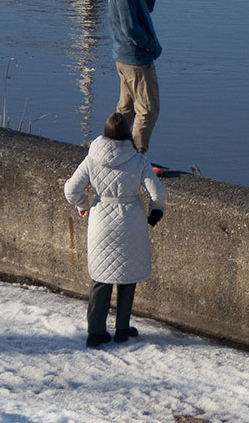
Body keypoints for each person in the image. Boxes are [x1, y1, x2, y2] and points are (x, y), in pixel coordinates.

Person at [64, 112, 166, 347]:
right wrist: (155, 211)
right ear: (127, 134)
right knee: (127, 277)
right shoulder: (138, 160)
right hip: (132, 220)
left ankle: (96, 332)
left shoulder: (92, 158)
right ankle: (122, 328)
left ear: (106, 133)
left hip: (101, 219)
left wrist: (82, 206)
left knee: (101, 277)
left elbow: (71, 190)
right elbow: (157, 193)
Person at [104, 0, 162, 155]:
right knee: (148, 110)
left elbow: (148, 7)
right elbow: (130, 28)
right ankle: (135, 156)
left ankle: (109, 148)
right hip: (135, 59)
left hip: (124, 57)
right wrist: (152, 47)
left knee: (126, 111)